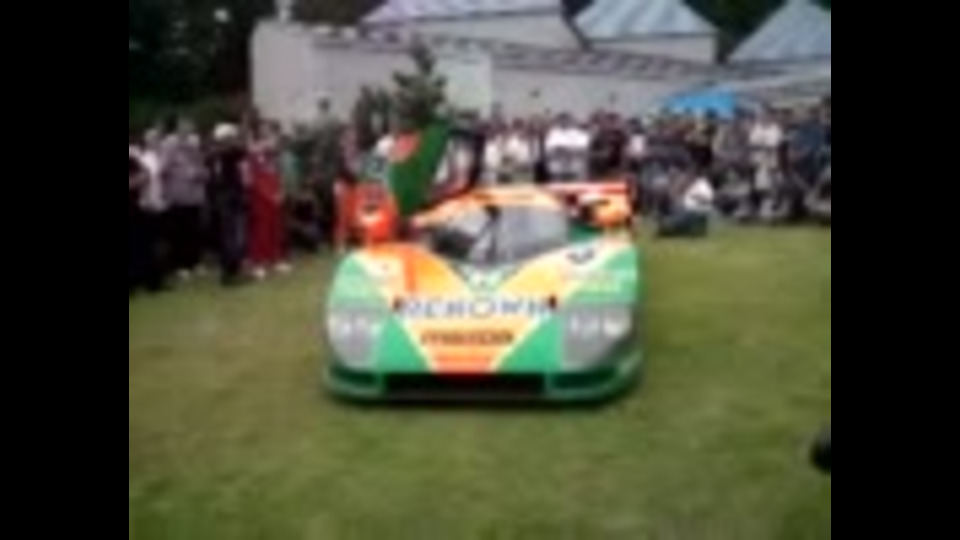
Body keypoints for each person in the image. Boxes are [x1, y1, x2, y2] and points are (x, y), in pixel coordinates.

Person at [161, 117, 208, 280]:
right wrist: (182, 173)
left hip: (195, 196)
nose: (188, 130)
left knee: (194, 231)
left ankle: (194, 263)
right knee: (179, 233)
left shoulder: (194, 145)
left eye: (190, 127)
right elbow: (163, 169)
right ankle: (180, 265)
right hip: (178, 196)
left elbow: (204, 169)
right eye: (185, 127)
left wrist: (199, 173)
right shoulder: (169, 145)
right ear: (178, 128)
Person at [247, 122, 291, 280]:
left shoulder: (274, 155)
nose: (267, 136)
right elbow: (255, 179)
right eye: (263, 131)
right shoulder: (254, 153)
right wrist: (270, 195)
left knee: (276, 228)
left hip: (275, 196)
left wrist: (281, 191)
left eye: (269, 132)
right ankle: (258, 263)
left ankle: (276, 259)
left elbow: (279, 174)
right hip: (261, 198)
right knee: (261, 230)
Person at [209, 124, 251, 286]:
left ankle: (232, 271)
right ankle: (228, 273)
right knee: (231, 236)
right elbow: (242, 150)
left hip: (229, 195)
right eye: (229, 137)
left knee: (234, 235)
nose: (232, 140)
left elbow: (242, 151)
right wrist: (242, 131)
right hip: (227, 195)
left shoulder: (220, 152)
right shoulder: (224, 153)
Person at [657, 169, 715, 238]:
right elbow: (677, 196)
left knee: (677, 220)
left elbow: (707, 198)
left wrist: (694, 197)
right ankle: (670, 227)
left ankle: (670, 227)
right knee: (677, 217)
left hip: (694, 210)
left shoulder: (701, 185)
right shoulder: (687, 185)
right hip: (686, 210)